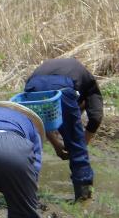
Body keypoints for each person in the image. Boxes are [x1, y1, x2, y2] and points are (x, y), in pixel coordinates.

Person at [24, 57, 103, 201]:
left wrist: (56, 145)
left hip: (32, 86)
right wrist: (81, 144)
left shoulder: (74, 73)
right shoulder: (90, 84)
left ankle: (24, 194)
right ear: (83, 102)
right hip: (62, 85)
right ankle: (84, 196)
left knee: (31, 146)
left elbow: (42, 120)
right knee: (78, 149)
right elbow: (96, 118)